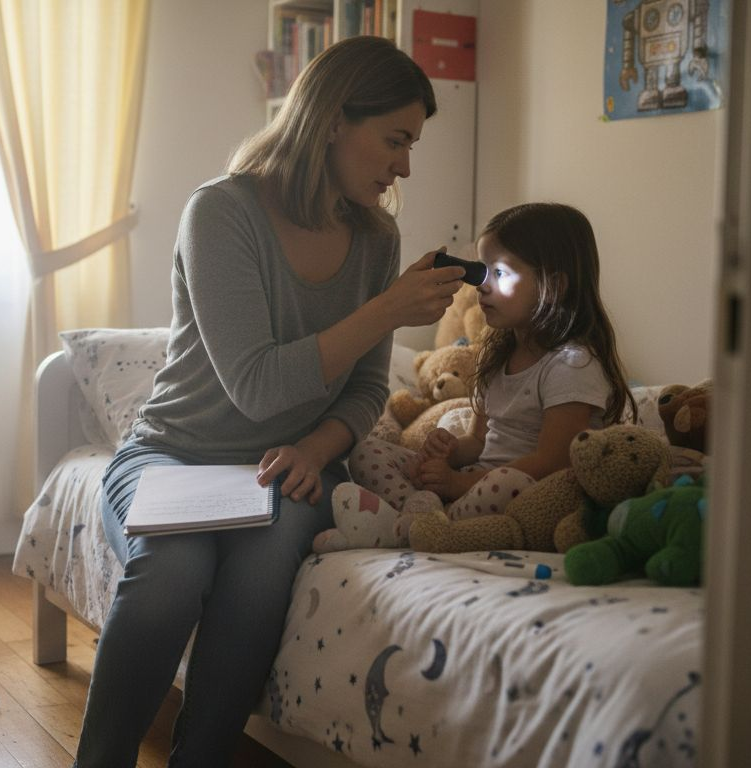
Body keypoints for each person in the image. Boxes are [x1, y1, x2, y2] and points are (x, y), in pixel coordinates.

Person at [73, 36, 463, 767]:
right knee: (170, 576)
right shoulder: (220, 213)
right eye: (395, 140)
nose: (405, 164)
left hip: (289, 469)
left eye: (413, 144)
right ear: (333, 122)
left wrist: (316, 450)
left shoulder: (376, 239)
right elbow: (254, 387)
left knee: (257, 581)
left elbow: (369, 387)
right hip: (173, 453)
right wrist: (383, 312)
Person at [335, 202, 638, 528]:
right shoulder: (496, 358)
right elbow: (477, 443)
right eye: (483, 270)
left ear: (555, 288)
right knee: (366, 452)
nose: (482, 284)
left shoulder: (572, 366)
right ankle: (421, 516)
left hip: (526, 493)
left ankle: (425, 525)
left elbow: (554, 464)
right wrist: (447, 451)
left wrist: (457, 484)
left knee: (507, 481)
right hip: (475, 482)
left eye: (501, 273)